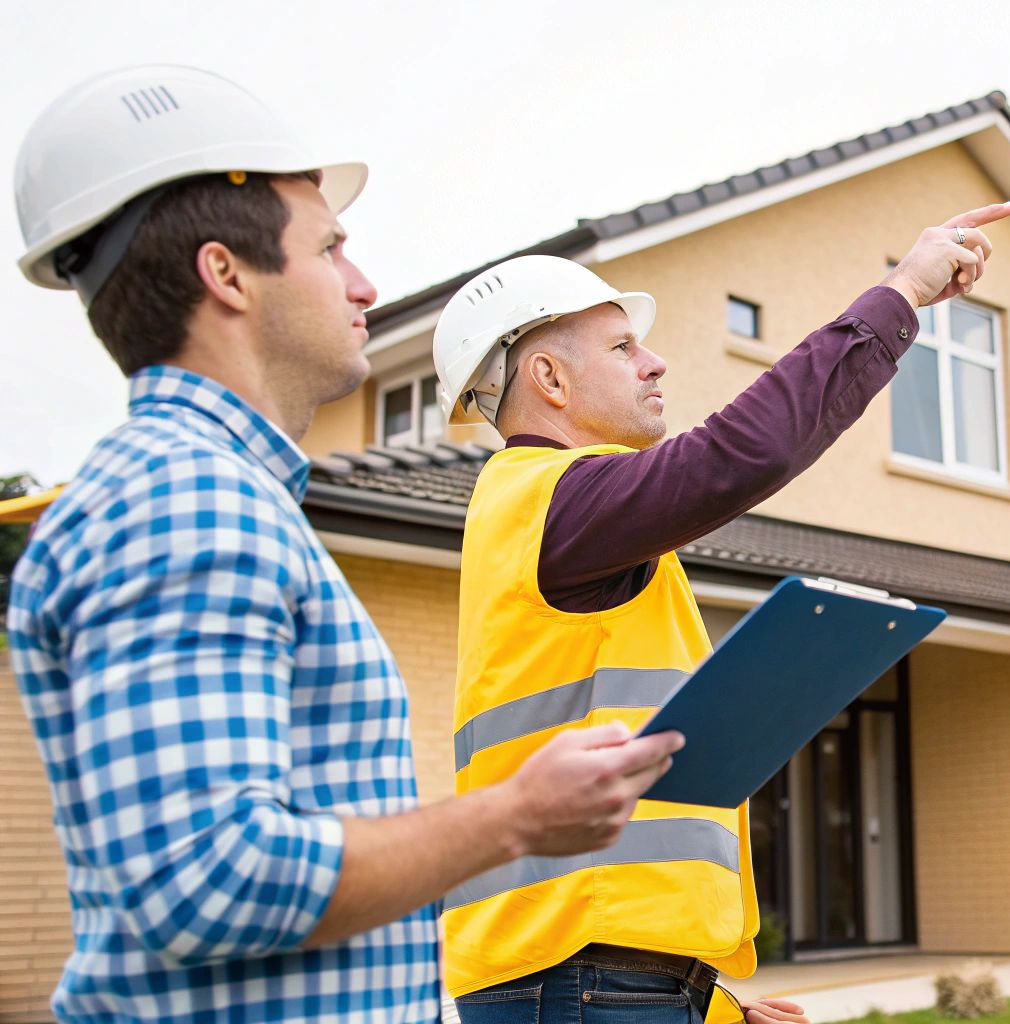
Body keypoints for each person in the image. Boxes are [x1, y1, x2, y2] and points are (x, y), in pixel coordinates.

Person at [7, 64, 683, 1023]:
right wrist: (515, 817)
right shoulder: (186, 500)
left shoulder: (221, 498)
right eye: (330, 247)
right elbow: (207, 878)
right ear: (226, 273)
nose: (365, 282)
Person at [431, 201, 1010, 1023]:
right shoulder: (550, 502)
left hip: (602, 978)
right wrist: (900, 295)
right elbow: (740, 455)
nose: (656, 362)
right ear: (550, 381)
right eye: (624, 346)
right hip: (577, 979)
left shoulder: (574, 523)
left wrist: (713, 1009)